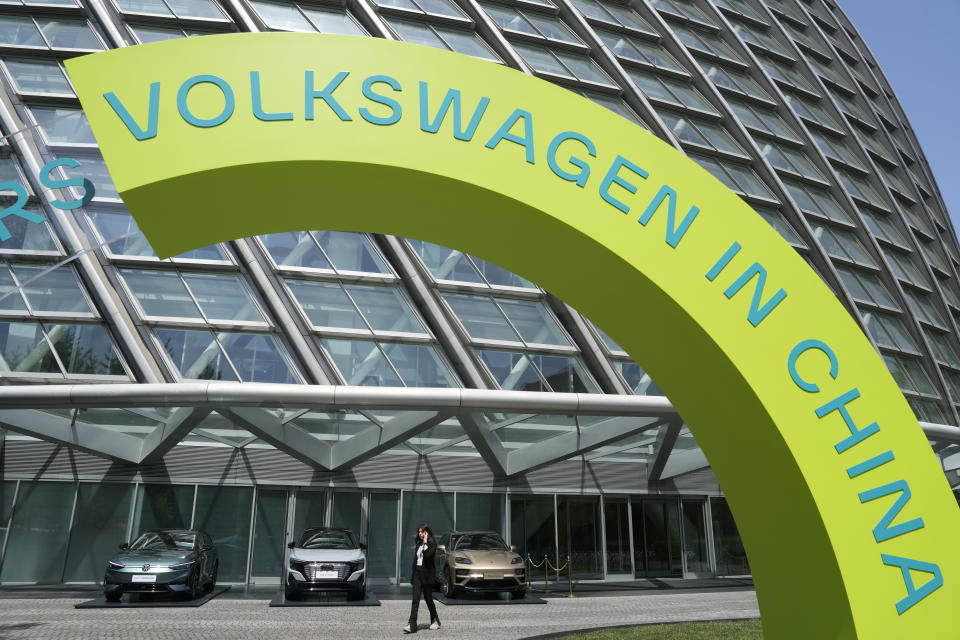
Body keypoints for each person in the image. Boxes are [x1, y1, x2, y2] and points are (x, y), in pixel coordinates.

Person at [404, 524, 440, 633]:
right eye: (419, 532)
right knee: (415, 600)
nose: (420, 534)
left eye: (422, 532)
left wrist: (425, 542)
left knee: (428, 599)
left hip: (427, 576)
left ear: (427, 532)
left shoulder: (432, 543)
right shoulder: (418, 543)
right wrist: (413, 576)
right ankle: (412, 625)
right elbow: (415, 561)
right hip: (418, 575)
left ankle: (435, 621)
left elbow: (428, 555)